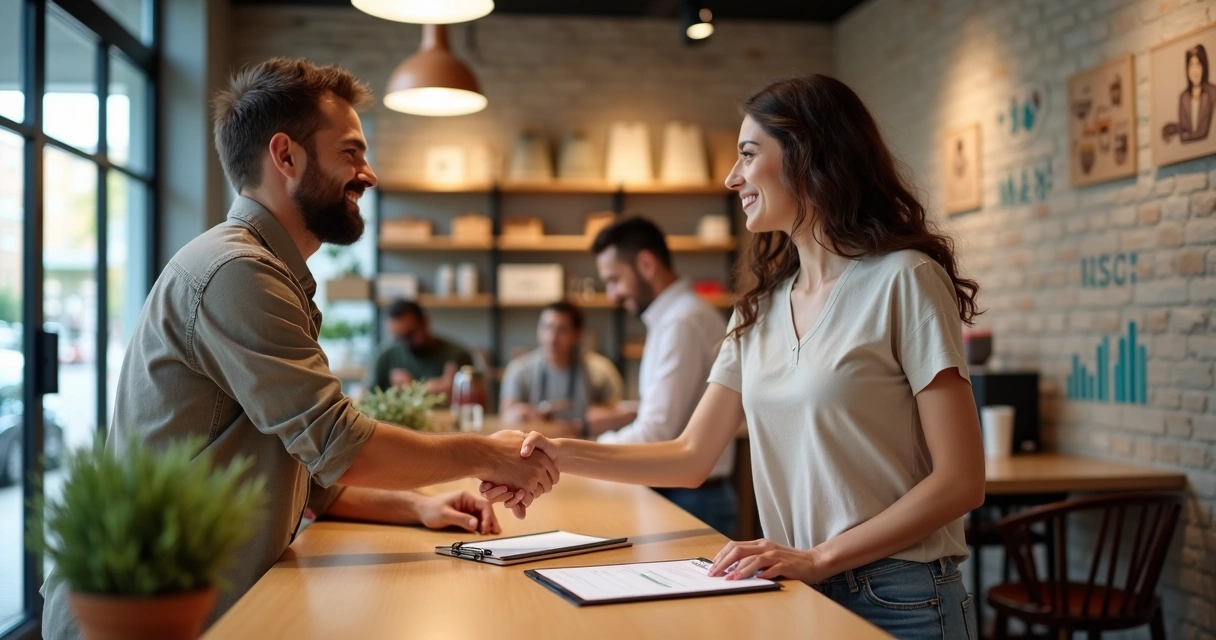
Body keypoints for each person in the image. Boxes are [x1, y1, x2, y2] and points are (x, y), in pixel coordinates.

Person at [42, 58, 556, 639]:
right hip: (142, 615)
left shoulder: (261, 269)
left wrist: (418, 506)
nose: (369, 174)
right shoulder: (237, 272)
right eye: (352, 153)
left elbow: (312, 472)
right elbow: (341, 447)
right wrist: (488, 455)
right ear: (285, 156)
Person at [486, 74, 986, 639]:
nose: (732, 178)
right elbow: (690, 455)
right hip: (799, 585)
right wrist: (555, 454)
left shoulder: (905, 280)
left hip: (900, 594)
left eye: (748, 155)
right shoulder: (759, 309)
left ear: (809, 156)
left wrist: (821, 558)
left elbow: (961, 481)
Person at [576, 216, 739, 537]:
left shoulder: (682, 322)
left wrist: (580, 456)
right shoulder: (675, 318)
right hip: (690, 494)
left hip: (694, 500)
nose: (611, 294)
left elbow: (656, 431)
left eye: (614, 280)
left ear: (646, 264)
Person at [499, 301, 631, 436]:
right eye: (546, 327)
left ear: (577, 334)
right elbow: (506, 417)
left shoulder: (601, 370)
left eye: (561, 330)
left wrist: (585, 423)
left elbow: (620, 415)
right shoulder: (519, 369)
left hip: (585, 449)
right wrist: (524, 414)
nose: (552, 338)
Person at [364, 299, 474, 397]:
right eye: (398, 337)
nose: (404, 343)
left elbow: (479, 402)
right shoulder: (385, 356)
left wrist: (454, 388)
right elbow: (367, 397)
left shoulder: (457, 355)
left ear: (425, 322)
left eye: (409, 335)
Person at [1163, 44, 1215, 144]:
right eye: (1191, 65)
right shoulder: (1183, 98)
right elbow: (1183, 132)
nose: (1195, 70)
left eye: (1198, 64)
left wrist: (1184, 135)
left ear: (1204, 66)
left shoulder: (1213, 92)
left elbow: (1203, 133)